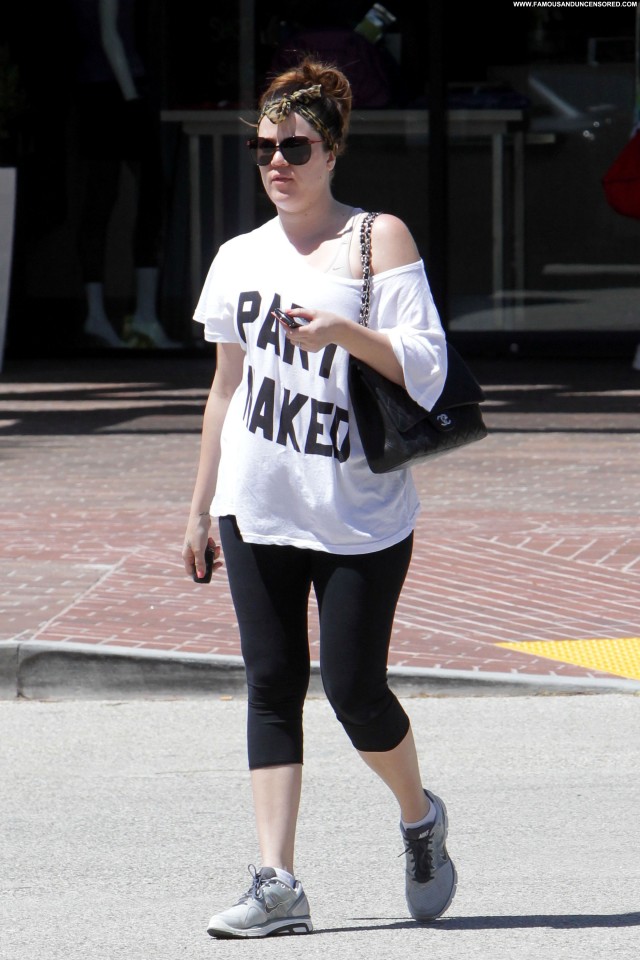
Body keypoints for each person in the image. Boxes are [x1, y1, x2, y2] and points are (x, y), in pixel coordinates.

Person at [182, 56, 457, 939]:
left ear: (332, 151)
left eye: (295, 147)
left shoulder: (380, 239)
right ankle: (278, 882)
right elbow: (225, 388)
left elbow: (428, 366)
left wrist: (346, 331)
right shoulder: (238, 257)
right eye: (264, 148)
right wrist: (199, 507)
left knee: (355, 691)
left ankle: (419, 815)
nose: (277, 162)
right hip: (257, 501)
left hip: (358, 511)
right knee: (270, 686)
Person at [71, 0, 179, 348]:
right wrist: (132, 98)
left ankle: (124, 315)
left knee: (113, 199)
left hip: (104, 90)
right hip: (116, 92)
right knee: (138, 198)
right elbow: (109, 34)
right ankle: (129, 316)